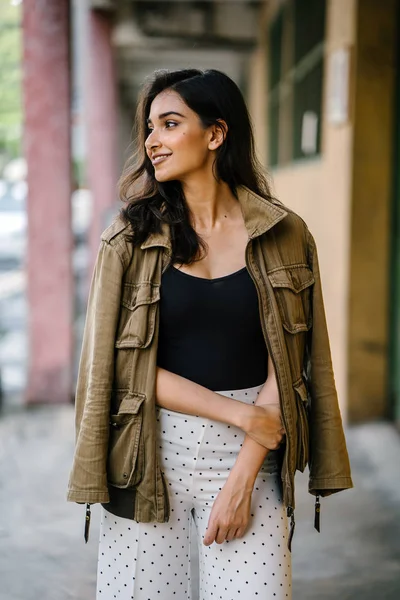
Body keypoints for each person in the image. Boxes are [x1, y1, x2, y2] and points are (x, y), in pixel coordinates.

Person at [67, 68, 353, 600]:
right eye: (149, 127)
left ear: (216, 134)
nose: (152, 140)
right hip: (150, 452)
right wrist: (243, 415)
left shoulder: (285, 234)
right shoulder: (127, 238)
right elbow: (117, 370)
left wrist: (245, 471)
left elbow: (290, 359)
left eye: (170, 123)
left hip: (252, 454)